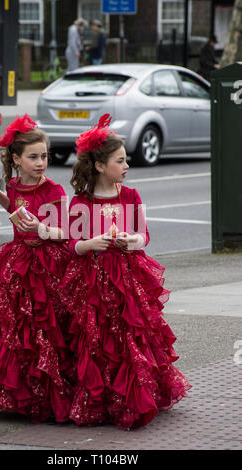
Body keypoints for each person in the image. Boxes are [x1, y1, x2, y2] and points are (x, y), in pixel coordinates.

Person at [59, 114, 192, 430]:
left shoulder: (131, 196)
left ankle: (133, 396)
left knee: (130, 337)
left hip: (127, 277)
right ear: (101, 166)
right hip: (91, 280)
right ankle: (99, 397)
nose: (127, 165)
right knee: (95, 338)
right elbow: (70, 245)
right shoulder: (82, 202)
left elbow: (143, 236)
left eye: (127, 160)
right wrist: (91, 242)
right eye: (121, 160)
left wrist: (130, 240)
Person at [0, 114, 73, 423]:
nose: (41, 162)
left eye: (44, 156)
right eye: (33, 157)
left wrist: (42, 228)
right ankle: (21, 392)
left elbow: (68, 232)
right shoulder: (14, 184)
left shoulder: (53, 191)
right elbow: (15, 205)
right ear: (16, 159)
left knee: (48, 328)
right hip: (18, 265)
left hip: (48, 264)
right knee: (18, 329)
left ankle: (50, 393)